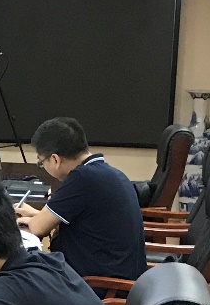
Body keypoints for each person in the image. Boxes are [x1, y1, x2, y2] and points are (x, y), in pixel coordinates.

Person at [16, 117, 145, 285]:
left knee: (23, 277)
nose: (43, 167)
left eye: (41, 162)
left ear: (55, 159)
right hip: (116, 274)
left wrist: (30, 219)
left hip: (98, 284)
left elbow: (37, 228)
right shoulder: (106, 172)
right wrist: (37, 215)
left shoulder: (82, 178)